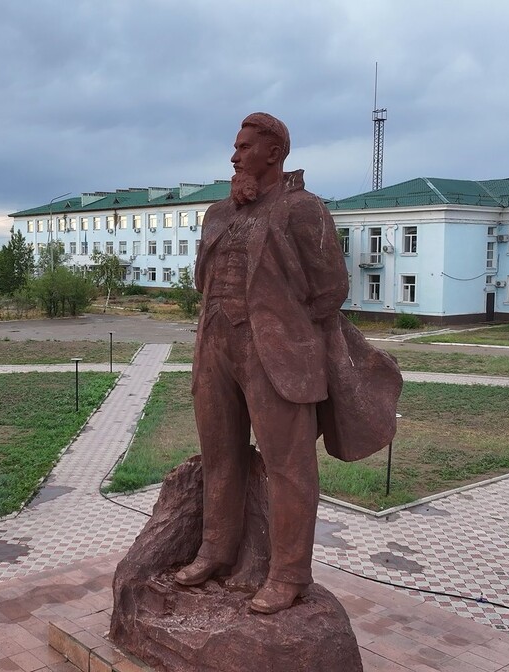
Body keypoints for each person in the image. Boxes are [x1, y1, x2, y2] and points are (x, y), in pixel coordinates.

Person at [176, 112, 401, 614]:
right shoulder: (218, 213)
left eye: (244, 148)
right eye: (235, 147)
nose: (234, 156)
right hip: (215, 346)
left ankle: (289, 574)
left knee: (289, 466)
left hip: (275, 355)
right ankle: (215, 551)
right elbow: (202, 281)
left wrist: (283, 328)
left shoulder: (303, 208)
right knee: (220, 456)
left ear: (273, 152)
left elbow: (330, 290)